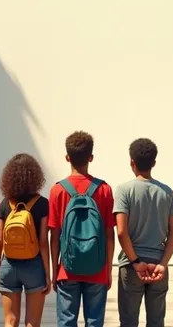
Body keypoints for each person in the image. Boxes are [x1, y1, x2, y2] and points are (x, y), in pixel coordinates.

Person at [49, 131, 115, 327]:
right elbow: (109, 234)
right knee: (94, 322)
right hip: (97, 269)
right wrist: (108, 269)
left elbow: (54, 236)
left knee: (66, 322)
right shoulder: (104, 189)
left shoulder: (58, 190)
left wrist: (55, 271)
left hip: (67, 270)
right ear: (91, 157)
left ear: (67, 157)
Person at [114, 138, 173, 327]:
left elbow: (121, 231)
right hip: (158, 265)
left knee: (128, 322)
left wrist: (135, 261)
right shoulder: (167, 192)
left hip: (132, 266)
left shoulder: (124, 190)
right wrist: (163, 264)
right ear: (154, 163)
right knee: (157, 322)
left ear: (131, 162)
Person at [0, 153, 50, 327]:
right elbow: (43, 241)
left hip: (8, 265)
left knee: (10, 320)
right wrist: (47, 274)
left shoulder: (5, 204)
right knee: (32, 323)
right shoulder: (42, 204)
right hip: (33, 266)